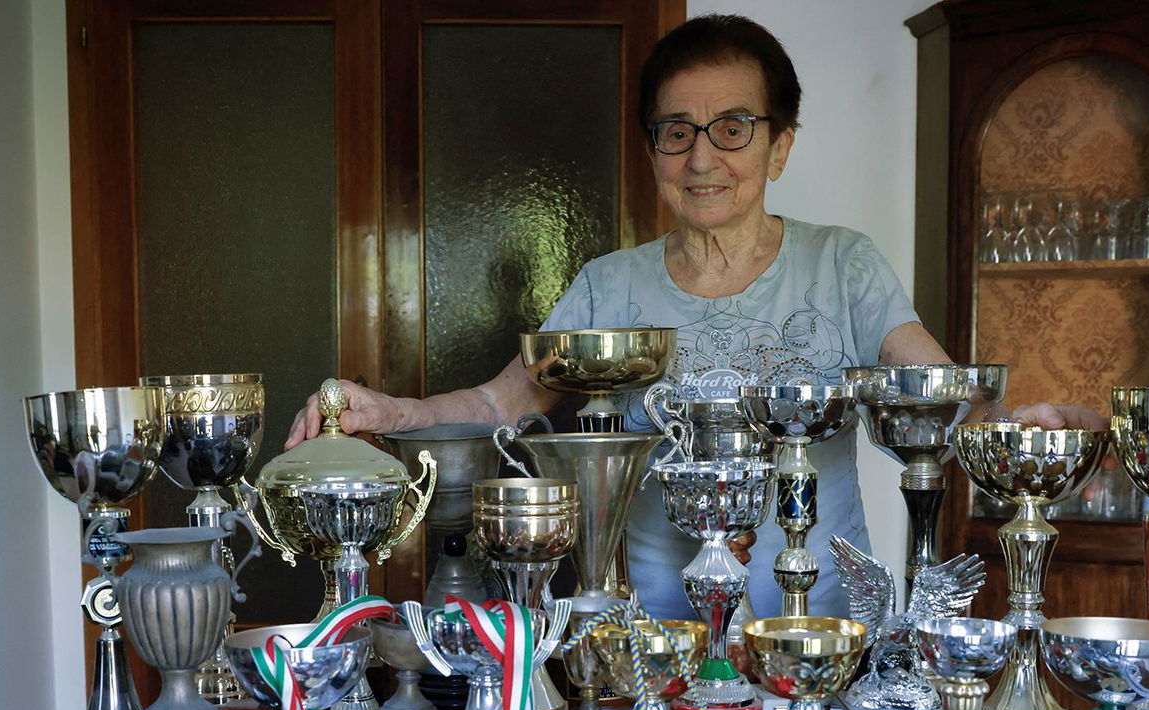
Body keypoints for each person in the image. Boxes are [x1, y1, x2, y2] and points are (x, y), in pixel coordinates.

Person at [285, 14, 1104, 621]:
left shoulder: (842, 264)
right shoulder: (610, 287)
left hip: (820, 641)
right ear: (653, 151)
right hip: (649, 649)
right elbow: (503, 405)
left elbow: (935, 389)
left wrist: (1011, 424)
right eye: (677, 132)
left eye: (733, 129)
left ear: (780, 147)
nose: (702, 158)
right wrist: (386, 411)